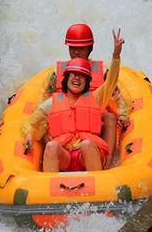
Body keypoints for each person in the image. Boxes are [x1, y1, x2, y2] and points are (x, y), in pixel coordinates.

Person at [23, 29, 125, 172]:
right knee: (51, 145)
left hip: (86, 153)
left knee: (88, 143)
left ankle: (103, 173)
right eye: (73, 75)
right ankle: (50, 185)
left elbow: (111, 83)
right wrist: (29, 136)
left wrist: (116, 55)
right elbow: (34, 123)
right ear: (66, 79)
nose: (77, 78)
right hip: (66, 155)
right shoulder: (53, 102)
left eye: (81, 76)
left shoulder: (95, 97)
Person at [45, 23, 130, 165]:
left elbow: (115, 94)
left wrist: (122, 114)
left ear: (89, 48)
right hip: (66, 117)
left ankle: (106, 164)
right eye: (73, 48)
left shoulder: (102, 72)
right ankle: (49, 159)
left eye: (81, 48)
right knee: (46, 121)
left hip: (95, 114)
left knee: (109, 117)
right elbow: (46, 98)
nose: (76, 52)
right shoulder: (57, 73)